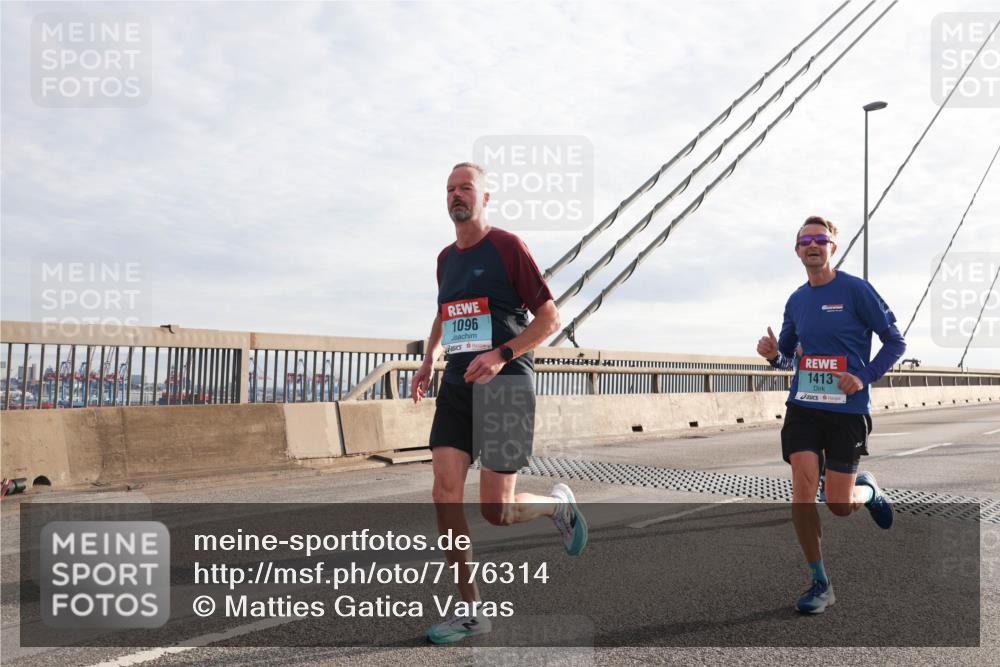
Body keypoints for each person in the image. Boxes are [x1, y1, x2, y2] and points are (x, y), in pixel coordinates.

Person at [411, 162, 587, 644]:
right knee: (444, 492)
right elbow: (446, 312)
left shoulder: (508, 247)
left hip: (506, 382)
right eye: (449, 189)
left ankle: (555, 506)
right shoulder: (446, 259)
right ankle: (470, 611)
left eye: (465, 187)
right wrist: (430, 358)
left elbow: (549, 319)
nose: (456, 195)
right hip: (458, 387)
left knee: (496, 510)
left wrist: (502, 353)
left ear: (485, 198)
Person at [756, 215, 905, 614]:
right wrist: (774, 356)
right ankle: (819, 581)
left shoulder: (856, 290)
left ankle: (868, 489)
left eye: (821, 239)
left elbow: (895, 341)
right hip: (803, 406)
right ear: (797, 250)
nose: (813, 245)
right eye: (805, 239)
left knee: (839, 504)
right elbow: (788, 357)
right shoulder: (796, 300)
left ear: (832, 248)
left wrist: (863, 376)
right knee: (803, 491)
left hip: (847, 410)